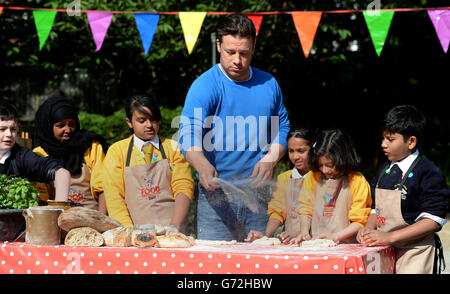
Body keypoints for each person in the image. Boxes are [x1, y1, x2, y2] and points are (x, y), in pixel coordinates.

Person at [178, 14, 290, 241]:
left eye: (244, 53)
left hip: (258, 196)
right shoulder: (205, 85)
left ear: (253, 47)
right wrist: (201, 164)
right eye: (230, 52)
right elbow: (188, 133)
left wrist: (271, 158)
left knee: (258, 265)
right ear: (219, 45)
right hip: (216, 197)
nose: (237, 60)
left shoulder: (269, 83)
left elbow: (283, 126)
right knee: (213, 266)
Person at [357, 105, 448, 274]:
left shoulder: (428, 172)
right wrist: (368, 229)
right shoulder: (384, 170)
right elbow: (376, 209)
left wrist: (390, 237)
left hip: (416, 252)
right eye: (383, 138)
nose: (383, 144)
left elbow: (433, 220)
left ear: (411, 141)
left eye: (390, 140)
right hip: (383, 250)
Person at [103, 94, 194, 232]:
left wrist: (175, 226)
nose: (149, 125)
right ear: (129, 122)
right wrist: (129, 232)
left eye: (153, 119)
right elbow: (114, 197)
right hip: (133, 234)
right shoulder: (117, 152)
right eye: (142, 120)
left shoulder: (173, 148)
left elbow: (184, 186)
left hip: (173, 232)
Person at [290, 129, 372, 245]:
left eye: (330, 165)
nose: (325, 170)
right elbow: (305, 208)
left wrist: (335, 237)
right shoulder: (313, 177)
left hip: (346, 246)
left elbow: (360, 221)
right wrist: (304, 232)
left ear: (343, 159)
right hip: (315, 242)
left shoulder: (357, 181)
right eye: (320, 165)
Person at [33, 96, 108, 213]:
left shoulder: (90, 146)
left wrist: (101, 221)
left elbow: (103, 186)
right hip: (56, 220)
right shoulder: (40, 154)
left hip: (91, 219)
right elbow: (41, 198)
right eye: (61, 125)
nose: (68, 130)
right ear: (48, 127)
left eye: (71, 124)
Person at [245, 126, 315, 244]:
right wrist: (266, 236)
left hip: (316, 242)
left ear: (313, 149)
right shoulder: (283, 178)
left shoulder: (322, 179)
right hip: (291, 244)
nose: (295, 156)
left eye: (301, 151)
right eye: (291, 151)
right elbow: (277, 212)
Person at [0, 100, 70, 201]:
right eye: (2, 129)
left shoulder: (22, 156)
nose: (9, 134)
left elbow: (62, 173)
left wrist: (60, 208)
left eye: (13, 129)